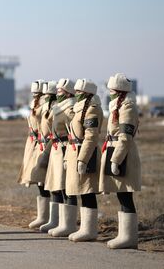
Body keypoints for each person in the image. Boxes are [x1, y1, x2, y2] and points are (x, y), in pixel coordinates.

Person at [100, 73, 141, 249]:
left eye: (111, 89)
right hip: (114, 149)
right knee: (120, 193)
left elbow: (125, 137)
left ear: (119, 91)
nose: (109, 92)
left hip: (122, 153)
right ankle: (124, 234)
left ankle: (129, 237)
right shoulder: (118, 105)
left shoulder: (127, 107)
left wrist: (116, 160)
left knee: (125, 195)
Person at [64, 79, 103, 242]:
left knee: (87, 192)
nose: (77, 94)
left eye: (80, 92)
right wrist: (68, 158)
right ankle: (85, 228)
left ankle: (89, 229)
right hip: (75, 152)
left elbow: (91, 137)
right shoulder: (79, 108)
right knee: (81, 191)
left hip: (86, 154)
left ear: (87, 94)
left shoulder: (92, 110)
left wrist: (83, 159)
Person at [44, 78, 79, 237]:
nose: (57, 92)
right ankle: (57, 221)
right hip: (57, 148)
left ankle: (68, 224)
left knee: (67, 187)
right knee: (56, 184)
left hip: (65, 148)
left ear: (68, 92)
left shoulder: (70, 107)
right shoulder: (58, 106)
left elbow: (73, 129)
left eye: (60, 90)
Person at [17, 80, 51, 229]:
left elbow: (47, 127)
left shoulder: (47, 105)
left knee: (44, 180)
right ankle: (42, 216)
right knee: (38, 181)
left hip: (42, 143)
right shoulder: (34, 103)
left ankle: (48, 217)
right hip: (33, 144)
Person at [33, 81, 58, 232]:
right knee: (40, 180)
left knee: (52, 182)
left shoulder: (54, 108)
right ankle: (44, 216)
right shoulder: (43, 106)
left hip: (50, 146)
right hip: (39, 144)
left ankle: (53, 218)